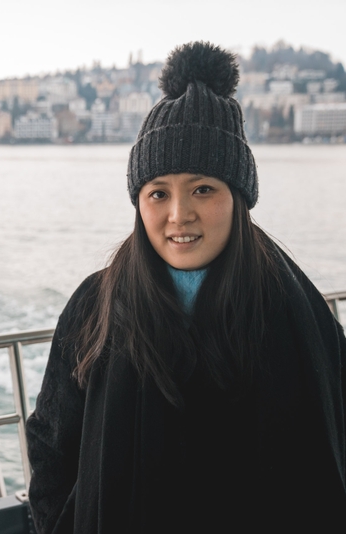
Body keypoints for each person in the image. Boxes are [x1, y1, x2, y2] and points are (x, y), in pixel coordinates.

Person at [25, 41, 346, 534]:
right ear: (139, 203)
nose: (179, 215)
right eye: (158, 193)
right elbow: (51, 442)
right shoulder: (96, 304)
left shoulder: (293, 308)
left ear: (238, 197)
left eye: (202, 189)